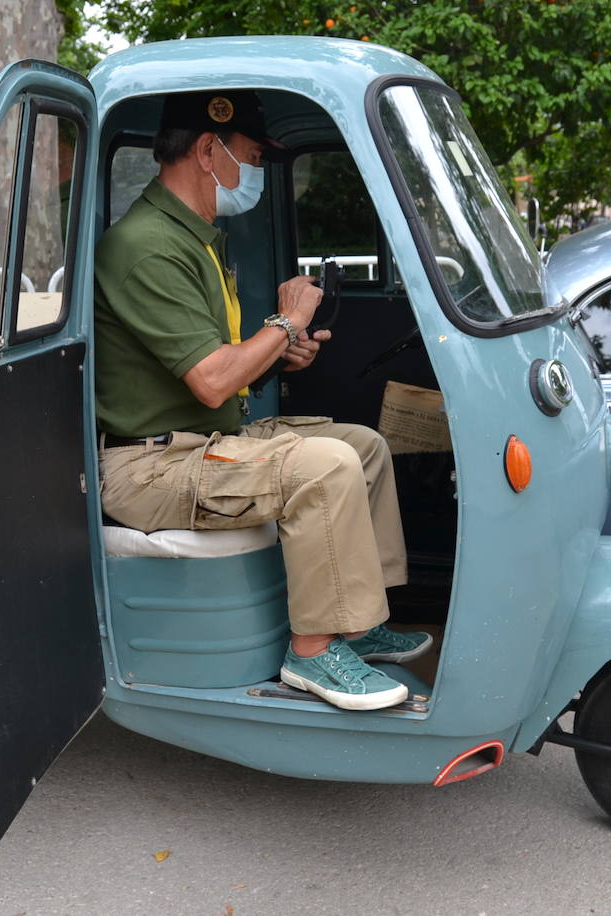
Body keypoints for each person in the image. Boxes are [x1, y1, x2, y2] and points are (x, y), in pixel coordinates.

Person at [93, 91, 431, 712]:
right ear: (206, 150)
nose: (254, 172)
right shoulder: (144, 246)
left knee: (363, 446)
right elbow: (214, 381)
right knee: (325, 466)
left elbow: (210, 365)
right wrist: (284, 320)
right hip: (151, 467)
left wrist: (281, 349)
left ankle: (358, 625)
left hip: (206, 441)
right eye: (249, 156)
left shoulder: (194, 238)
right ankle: (310, 653)